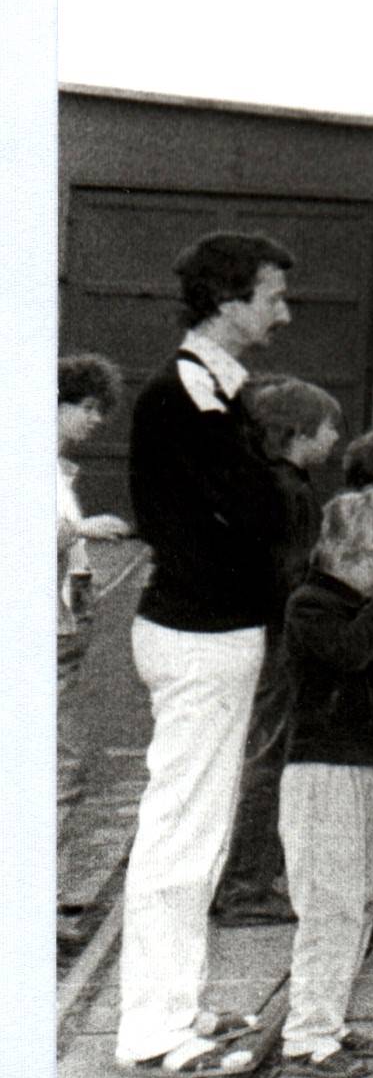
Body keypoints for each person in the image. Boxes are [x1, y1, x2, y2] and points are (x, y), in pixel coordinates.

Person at [117, 231, 295, 1078]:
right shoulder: (186, 394)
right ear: (228, 302)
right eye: (272, 297)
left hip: (212, 629)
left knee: (201, 829)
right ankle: (153, 1030)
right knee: (180, 832)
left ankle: (179, 1003)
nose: (283, 314)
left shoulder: (214, 391)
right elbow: (252, 511)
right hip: (199, 634)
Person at [276, 488, 373, 1078]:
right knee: (330, 901)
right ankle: (305, 1036)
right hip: (323, 769)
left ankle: (330, 1018)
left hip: (368, 765)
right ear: (346, 553)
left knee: (364, 894)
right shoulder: (311, 605)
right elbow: (351, 654)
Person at [211, 375, 344, 928]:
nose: (335, 438)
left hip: (255, 633)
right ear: (299, 432)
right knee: (270, 757)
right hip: (283, 641)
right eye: (329, 428)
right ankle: (246, 886)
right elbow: (293, 576)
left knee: (255, 753)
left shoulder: (263, 483)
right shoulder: (291, 492)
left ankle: (239, 875)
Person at [57, 354, 131, 946]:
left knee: (64, 764)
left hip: (61, 632)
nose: (95, 420)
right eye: (86, 408)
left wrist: (83, 592)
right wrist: (81, 530)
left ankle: (51, 891)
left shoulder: (58, 471)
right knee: (60, 766)